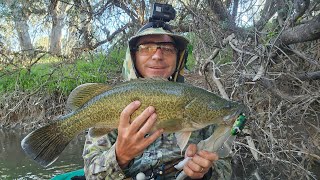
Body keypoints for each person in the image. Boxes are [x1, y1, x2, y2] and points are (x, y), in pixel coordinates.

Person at [82, 21, 232, 180]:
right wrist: (120, 156)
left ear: (178, 57)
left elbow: (225, 168)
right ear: (133, 56)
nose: (157, 56)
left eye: (167, 49)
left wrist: (205, 172)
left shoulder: (203, 102)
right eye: (146, 48)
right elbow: (91, 173)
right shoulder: (114, 100)